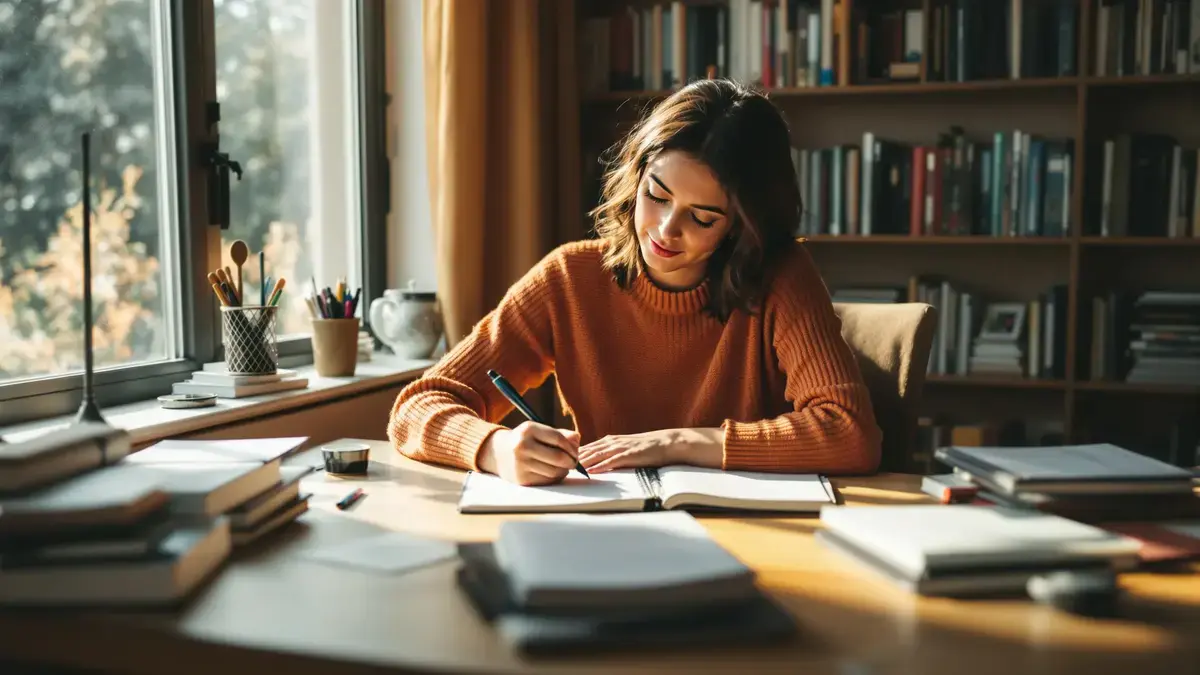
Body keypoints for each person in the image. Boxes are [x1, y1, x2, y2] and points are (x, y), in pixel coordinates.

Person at [388, 79, 881, 486]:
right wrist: (494, 447)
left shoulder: (781, 277)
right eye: (657, 195)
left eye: (703, 217)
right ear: (636, 175)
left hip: (749, 536)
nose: (666, 230)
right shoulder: (569, 279)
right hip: (606, 530)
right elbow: (417, 406)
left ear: (741, 226)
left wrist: (675, 442)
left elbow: (850, 433)